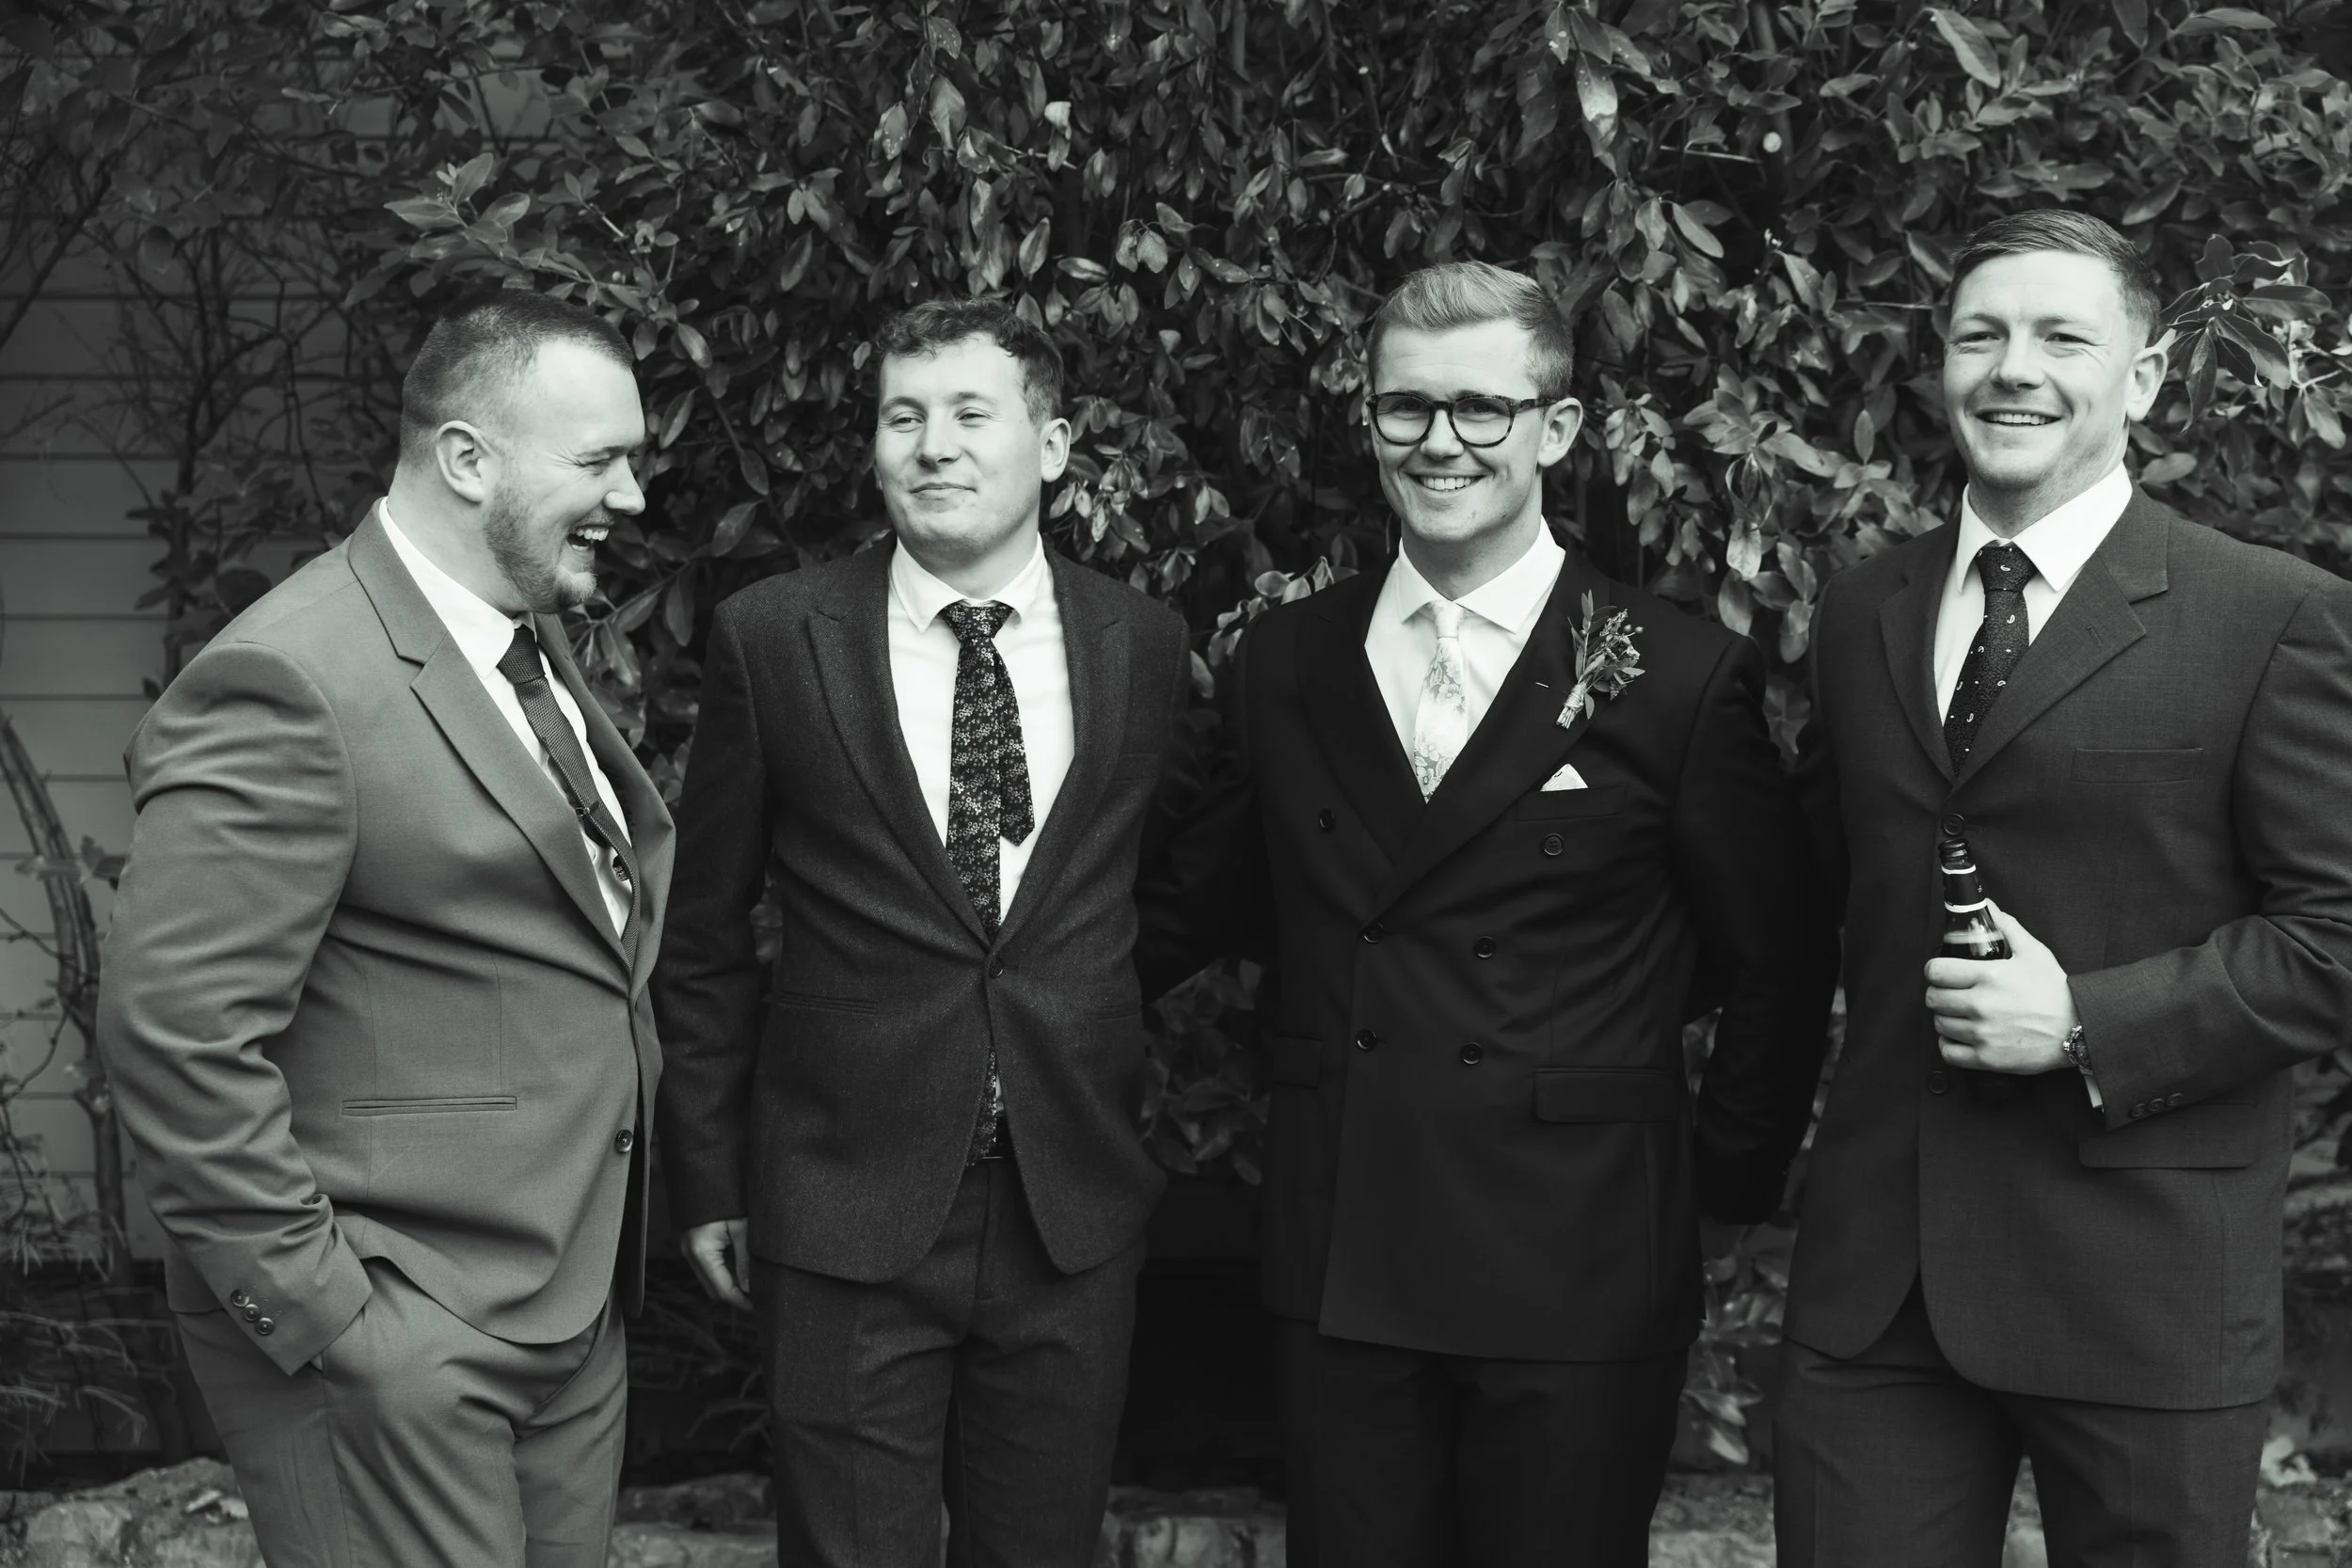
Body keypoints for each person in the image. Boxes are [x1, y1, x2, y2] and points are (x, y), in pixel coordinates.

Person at [1136, 260, 1829, 1566]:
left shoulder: (1675, 674)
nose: (1438, 441)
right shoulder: (1286, 663)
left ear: (1555, 431)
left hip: (1576, 1254)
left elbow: (1778, 960)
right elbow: (1189, 914)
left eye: (1480, 410)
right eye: (1406, 409)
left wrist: (1718, 1189)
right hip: (1344, 1244)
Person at [1774, 210, 2352, 1566]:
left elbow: (2334, 939)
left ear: (2143, 378)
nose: (2012, 366)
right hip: (1881, 1290)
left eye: (2061, 336)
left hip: (2144, 1276)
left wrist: (2086, 1019)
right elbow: (1813, 898)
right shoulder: (1862, 610)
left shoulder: (2270, 614)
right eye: (1981, 333)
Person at [95, 290, 671, 1565]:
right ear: (467, 458)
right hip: (392, 1331)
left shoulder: (520, 647)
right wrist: (334, 1318)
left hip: (564, 1310)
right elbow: (175, 1036)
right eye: (599, 460)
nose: (632, 495)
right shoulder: (292, 677)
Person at [654, 297, 1190, 1568]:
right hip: (845, 1196)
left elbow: (1142, 895)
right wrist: (712, 1173)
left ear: (1052, 446)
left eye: (968, 414)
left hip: (1070, 1199)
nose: (931, 445)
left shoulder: (1143, 645)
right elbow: (706, 927)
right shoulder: (779, 638)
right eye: (904, 417)